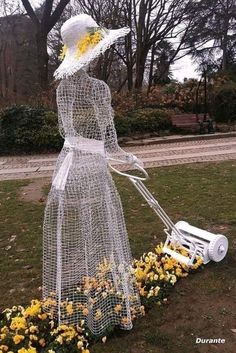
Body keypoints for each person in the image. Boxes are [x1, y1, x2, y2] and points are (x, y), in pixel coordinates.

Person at [43, 14, 144, 335]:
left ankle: (65, 313)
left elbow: (63, 130)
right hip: (94, 169)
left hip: (67, 167)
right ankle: (105, 309)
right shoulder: (99, 89)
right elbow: (110, 140)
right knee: (101, 232)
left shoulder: (62, 91)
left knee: (67, 235)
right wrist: (130, 158)